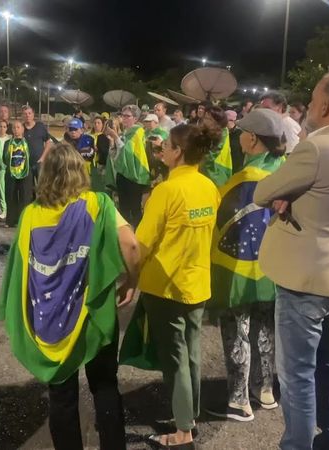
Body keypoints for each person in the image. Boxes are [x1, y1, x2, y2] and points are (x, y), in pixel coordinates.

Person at [254, 72, 329, 449]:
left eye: (314, 95)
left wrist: (291, 190)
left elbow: (263, 191)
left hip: (304, 281)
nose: (310, 101)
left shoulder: (316, 148)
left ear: (325, 106)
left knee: (297, 377)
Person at [0, 143, 140, 450]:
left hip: (50, 317)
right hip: (92, 313)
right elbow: (130, 245)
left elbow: (21, 268)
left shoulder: (30, 215)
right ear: (80, 170)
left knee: (62, 396)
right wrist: (131, 280)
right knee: (104, 385)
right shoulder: (98, 204)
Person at [119, 122, 222, 449]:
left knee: (175, 360)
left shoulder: (166, 191)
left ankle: (182, 432)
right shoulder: (208, 187)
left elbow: (140, 245)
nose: (161, 148)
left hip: (167, 288)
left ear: (178, 152)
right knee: (191, 353)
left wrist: (130, 278)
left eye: (167, 144)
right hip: (197, 284)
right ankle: (189, 417)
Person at [204, 109, 286, 423]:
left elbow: (223, 217)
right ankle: (265, 391)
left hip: (238, 269)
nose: (238, 138)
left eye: (241, 133)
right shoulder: (286, 168)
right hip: (273, 268)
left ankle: (238, 400)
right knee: (265, 327)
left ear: (252, 139)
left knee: (237, 330)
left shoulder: (246, 179)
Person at [104, 104, 150, 228]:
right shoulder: (125, 133)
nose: (124, 118)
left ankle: (137, 235)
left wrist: (115, 136)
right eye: (123, 116)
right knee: (123, 208)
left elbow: (128, 152)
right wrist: (113, 141)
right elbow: (117, 154)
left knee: (134, 208)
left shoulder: (138, 131)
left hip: (134, 175)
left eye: (127, 116)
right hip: (123, 174)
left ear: (135, 119)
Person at [3, 120, 33, 228]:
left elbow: (32, 157)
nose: (16, 130)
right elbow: (4, 159)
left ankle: (23, 220)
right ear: (12, 130)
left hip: (26, 173)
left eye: (18, 127)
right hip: (11, 173)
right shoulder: (7, 143)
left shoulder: (28, 142)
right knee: (11, 196)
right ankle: (11, 220)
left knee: (25, 197)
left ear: (23, 129)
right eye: (14, 128)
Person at [200, 106, 233, 187]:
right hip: (208, 173)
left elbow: (209, 156)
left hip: (216, 174)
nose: (205, 121)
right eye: (205, 118)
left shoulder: (222, 133)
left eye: (209, 119)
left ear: (217, 121)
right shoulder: (206, 131)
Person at [21, 105, 54, 180]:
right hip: (26, 165)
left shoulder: (40, 127)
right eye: (25, 114)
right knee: (29, 189)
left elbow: (48, 142)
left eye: (29, 113)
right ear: (22, 116)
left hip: (40, 164)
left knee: (42, 187)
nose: (27, 116)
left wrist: (42, 158)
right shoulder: (21, 129)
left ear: (33, 114)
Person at [225, 109, 244, 174]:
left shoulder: (240, 134)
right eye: (228, 120)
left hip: (237, 167)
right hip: (225, 167)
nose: (230, 122)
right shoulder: (222, 133)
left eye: (232, 120)